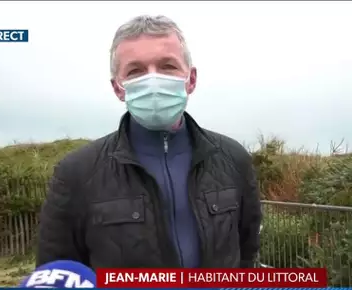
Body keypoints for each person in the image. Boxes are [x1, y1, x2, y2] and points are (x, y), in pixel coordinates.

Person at [36, 15, 262, 269]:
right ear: (118, 88)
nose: (153, 81)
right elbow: (56, 274)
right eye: (136, 71)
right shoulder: (77, 172)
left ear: (191, 80)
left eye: (167, 66)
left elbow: (246, 250)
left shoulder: (233, 158)